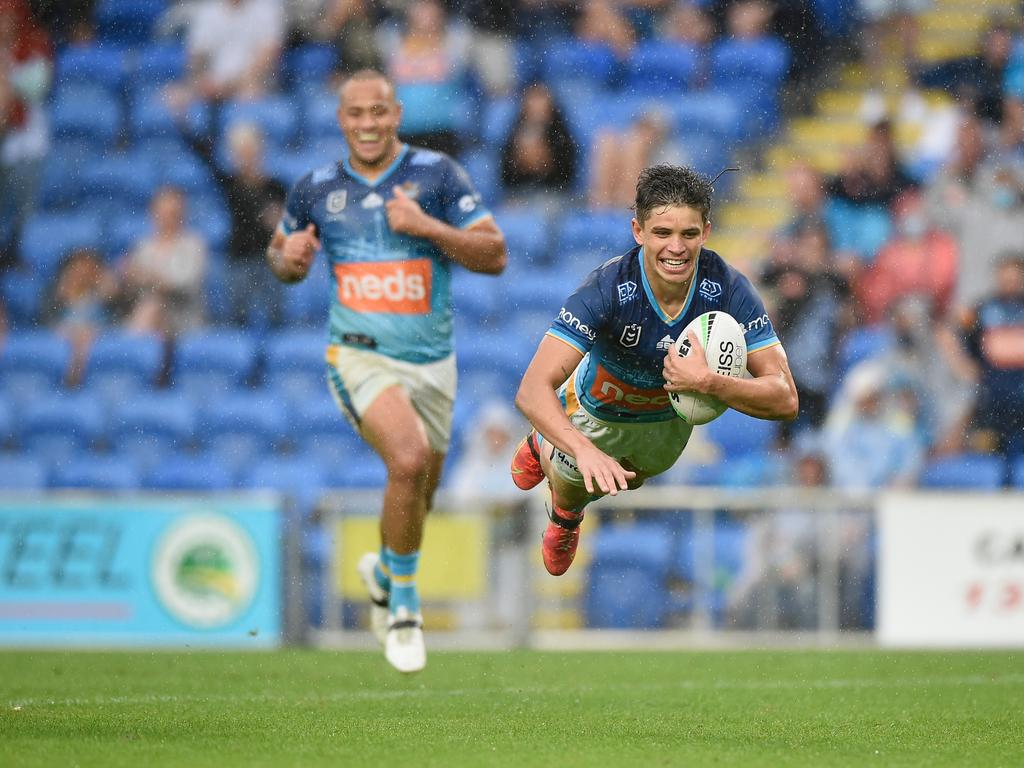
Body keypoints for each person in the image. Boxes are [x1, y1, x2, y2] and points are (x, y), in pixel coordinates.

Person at [265, 69, 506, 673]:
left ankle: (384, 567)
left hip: (433, 363)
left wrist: (426, 227)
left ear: (396, 114)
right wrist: (286, 259)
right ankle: (403, 608)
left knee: (419, 494)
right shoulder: (314, 189)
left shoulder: (438, 175)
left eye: (379, 112)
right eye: (356, 114)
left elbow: (495, 254)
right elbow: (282, 257)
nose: (368, 124)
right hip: (358, 352)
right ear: (340, 119)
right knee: (406, 459)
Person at [511, 164, 798, 577]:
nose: (676, 248)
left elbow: (786, 398)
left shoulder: (729, 289)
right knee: (576, 476)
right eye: (663, 233)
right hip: (597, 413)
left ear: (707, 232)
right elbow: (531, 389)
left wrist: (708, 381)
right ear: (638, 231)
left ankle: (551, 449)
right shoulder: (607, 288)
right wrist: (584, 449)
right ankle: (563, 509)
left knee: (626, 481)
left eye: (689, 234)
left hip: (668, 427)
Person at [120, 186, 208, 337]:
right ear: (154, 213)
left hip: (182, 316)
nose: (168, 218)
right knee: (148, 309)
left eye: (174, 213)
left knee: (150, 310)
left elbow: (186, 284)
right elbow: (134, 286)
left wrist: (149, 278)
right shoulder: (143, 246)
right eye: (163, 212)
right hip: (148, 312)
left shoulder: (194, 244)